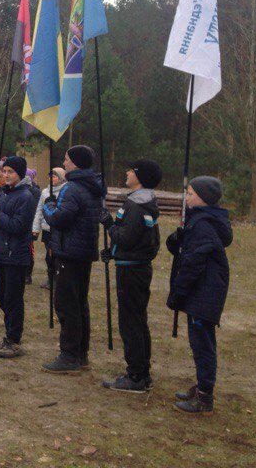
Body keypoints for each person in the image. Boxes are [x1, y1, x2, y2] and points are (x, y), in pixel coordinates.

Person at [166, 176, 232, 413]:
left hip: (205, 293)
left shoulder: (203, 225)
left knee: (202, 344)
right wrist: (177, 240)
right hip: (203, 291)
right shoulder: (201, 221)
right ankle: (203, 386)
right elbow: (186, 252)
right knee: (200, 343)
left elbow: (194, 263)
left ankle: (205, 396)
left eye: (191, 193)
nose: (187, 197)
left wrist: (177, 293)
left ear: (203, 198)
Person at [40, 145, 107, 374]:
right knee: (79, 304)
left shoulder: (72, 188)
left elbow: (60, 218)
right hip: (83, 252)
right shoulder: (94, 186)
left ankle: (69, 355)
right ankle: (81, 353)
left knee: (66, 304)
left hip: (69, 251)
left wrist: (48, 206)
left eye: (67, 159)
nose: (64, 163)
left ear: (76, 163)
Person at [101, 159, 162, 394]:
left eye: (131, 170)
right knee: (137, 319)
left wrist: (108, 224)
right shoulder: (142, 201)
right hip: (134, 264)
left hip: (132, 269)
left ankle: (136, 375)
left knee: (130, 322)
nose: (126, 173)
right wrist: (113, 252)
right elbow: (139, 238)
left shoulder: (137, 205)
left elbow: (126, 237)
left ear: (140, 176)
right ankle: (142, 372)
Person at [0, 155, 38, 358]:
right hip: (1, 252)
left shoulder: (26, 196)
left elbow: (18, 226)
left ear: (20, 174)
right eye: (4, 171)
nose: (5, 175)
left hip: (16, 253)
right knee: (2, 298)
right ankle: (8, 335)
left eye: (10, 172)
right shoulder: (3, 194)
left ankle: (14, 340)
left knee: (13, 299)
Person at [32, 168, 67, 288]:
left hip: (59, 229)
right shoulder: (45, 192)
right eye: (50, 176)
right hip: (47, 229)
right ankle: (50, 277)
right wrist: (36, 228)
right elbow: (39, 210)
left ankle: (59, 279)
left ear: (61, 178)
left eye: (54, 176)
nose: (51, 178)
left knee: (57, 255)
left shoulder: (65, 191)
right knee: (49, 255)